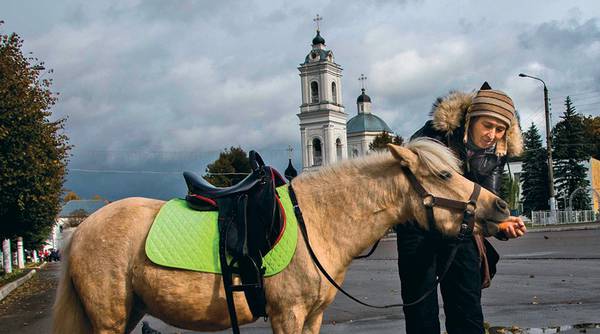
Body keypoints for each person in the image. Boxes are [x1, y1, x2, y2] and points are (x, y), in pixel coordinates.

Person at [395, 82, 527, 334]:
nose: (492, 134)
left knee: (467, 309)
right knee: (421, 312)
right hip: (418, 226)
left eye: (500, 129)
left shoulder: (497, 152)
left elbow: (489, 198)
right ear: (470, 120)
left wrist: (502, 224)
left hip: (460, 229)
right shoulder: (434, 135)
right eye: (487, 125)